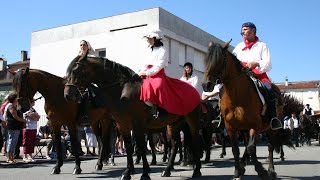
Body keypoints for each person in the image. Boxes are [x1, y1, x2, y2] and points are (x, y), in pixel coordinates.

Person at [138, 28, 200, 119]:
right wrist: (141, 71)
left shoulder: (163, 50)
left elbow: (159, 66)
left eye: (149, 38)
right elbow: (145, 63)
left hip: (157, 74)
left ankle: (159, 109)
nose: (148, 39)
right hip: (145, 73)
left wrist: (147, 72)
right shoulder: (148, 50)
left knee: (159, 85)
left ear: (156, 38)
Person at [232, 22, 282, 130]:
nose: (243, 31)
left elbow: (268, 64)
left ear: (253, 30)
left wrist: (256, 63)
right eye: (242, 29)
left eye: (245, 29)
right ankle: (222, 117)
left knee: (269, 90)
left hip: (259, 75)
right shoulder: (238, 47)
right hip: (242, 75)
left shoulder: (262, 45)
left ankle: (273, 118)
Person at [4, 93, 26, 164]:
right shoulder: (10, 106)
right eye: (16, 98)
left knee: (13, 142)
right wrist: (23, 120)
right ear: (14, 99)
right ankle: (9, 158)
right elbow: (15, 116)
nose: (18, 99)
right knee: (11, 142)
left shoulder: (15, 106)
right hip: (12, 126)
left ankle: (11, 157)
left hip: (16, 126)